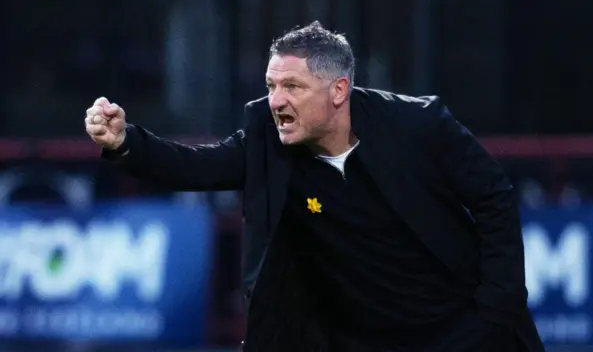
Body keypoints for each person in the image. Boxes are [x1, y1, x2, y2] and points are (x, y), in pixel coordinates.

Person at [85, 21, 544, 352]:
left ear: (338, 91)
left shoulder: (420, 126)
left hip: (456, 330)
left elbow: (494, 199)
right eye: (270, 86)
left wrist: (495, 310)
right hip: (357, 339)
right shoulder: (268, 138)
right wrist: (126, 141)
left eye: (292, 86)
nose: (276, 101)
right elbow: (195, 167)